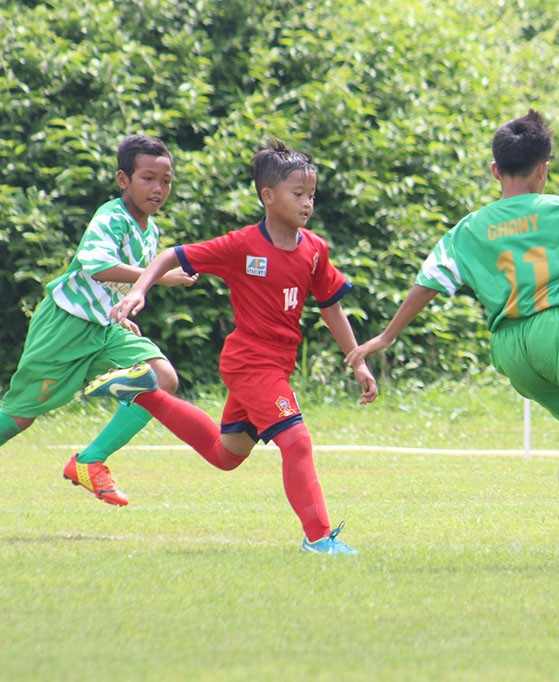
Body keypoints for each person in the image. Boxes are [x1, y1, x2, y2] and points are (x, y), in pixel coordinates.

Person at [346, 110, 559, 571]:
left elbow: (428, 282)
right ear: (544, 168)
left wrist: (386, 337)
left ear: (495, 170)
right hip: (558, 330)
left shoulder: (469, 229)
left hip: (510, 348)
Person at [87, 139, 377, 554]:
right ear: (268, 195)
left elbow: (330, 305)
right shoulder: (241, 245)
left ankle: (143, 392)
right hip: (250, 363)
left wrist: (358, 361)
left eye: (311, 195)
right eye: (298, 194)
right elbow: (171, 256)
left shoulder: (314, 250)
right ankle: (318, 539)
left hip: (277, 365)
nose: (307, 203)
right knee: (296, 441)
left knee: (226, 454)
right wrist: (138, 291)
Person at [0, 135, 196, 506]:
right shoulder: (111, 216)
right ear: (124, 180)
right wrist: (159, 276)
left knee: (162, 378)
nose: (158, 189)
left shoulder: (149, 230)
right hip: (65, 326)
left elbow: (114, 286)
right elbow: (100, 266)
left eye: (166, 181)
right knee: (21, 415)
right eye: (148, 178)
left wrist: (120, 316)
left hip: (104, 329)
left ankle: (90, 461)